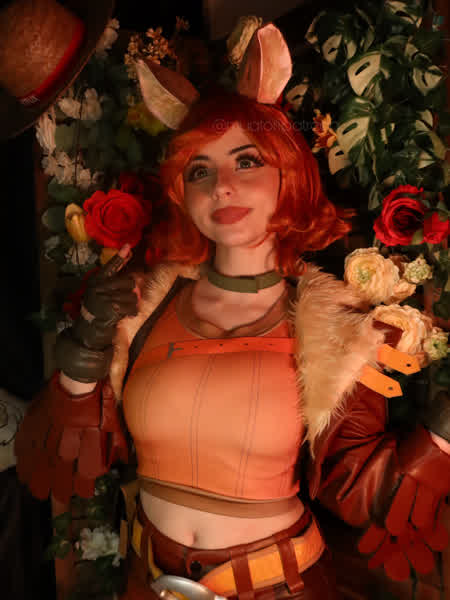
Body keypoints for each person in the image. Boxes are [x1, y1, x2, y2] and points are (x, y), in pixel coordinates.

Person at [15, 22, 450, 600]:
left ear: (288, 172)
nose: (221, 186)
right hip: (148, 582)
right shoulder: (142, 309)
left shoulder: (337, 328)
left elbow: (359, 487)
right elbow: (76, 461)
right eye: (200, 170)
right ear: (182, 192)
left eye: (246, 162)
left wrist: (442, 435)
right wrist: (86, 349)